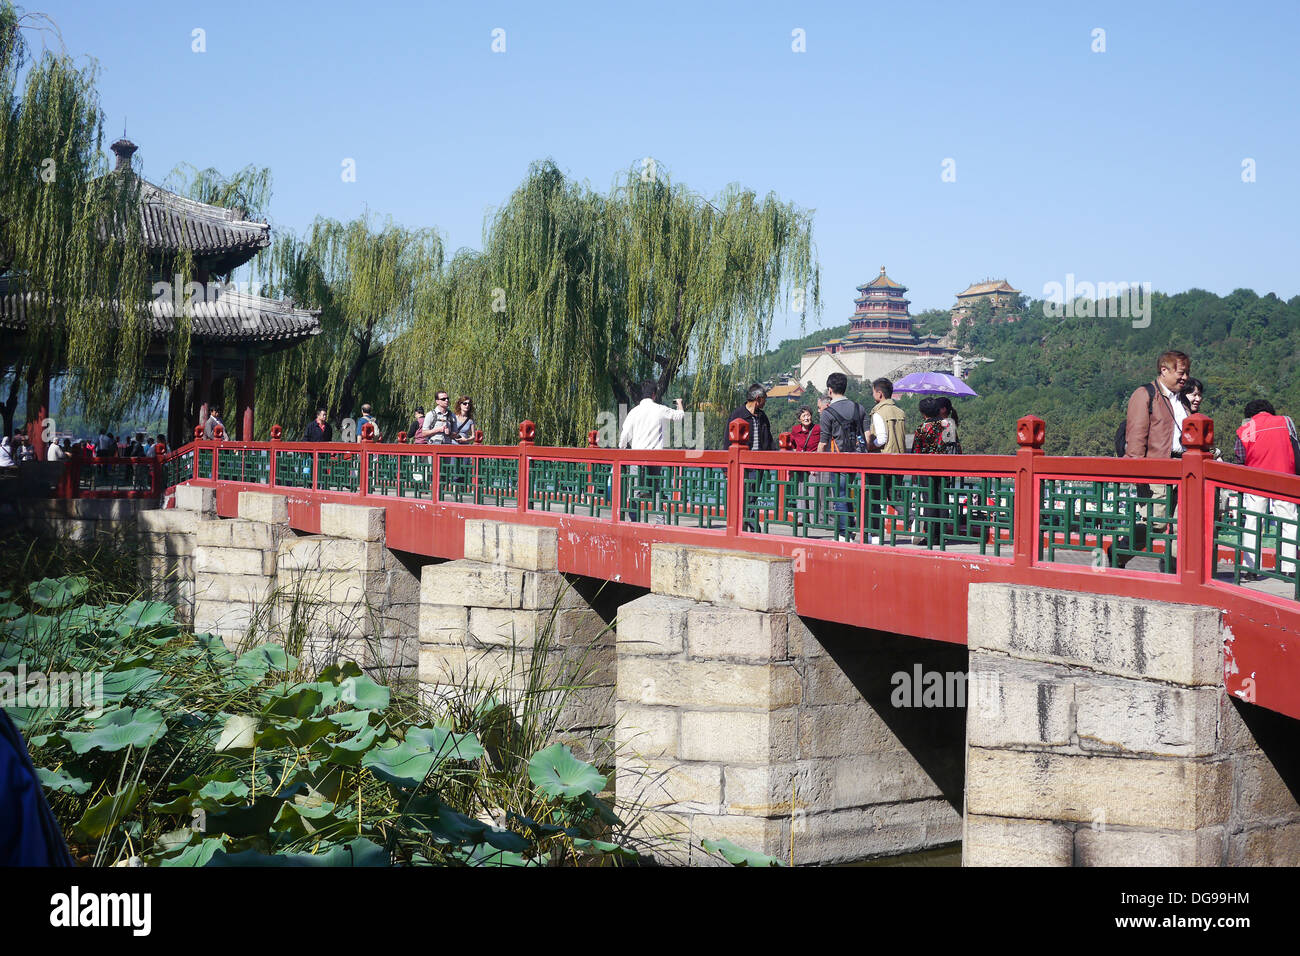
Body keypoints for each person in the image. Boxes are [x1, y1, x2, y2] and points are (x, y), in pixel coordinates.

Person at [1122, 350, 1190, 568]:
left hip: (1183, 469)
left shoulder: (1182, 400)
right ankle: (1118, 553)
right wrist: (1137, 471)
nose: (1185, 377)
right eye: (1181, 372)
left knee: (1182, 524)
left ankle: (1174, 571)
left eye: (1187, 373)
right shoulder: (1145, 394)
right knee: (1156, 523)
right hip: (1156, 469)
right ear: (1164, 370)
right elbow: (1136, 435)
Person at [1232, 399, 1298, 579]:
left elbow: (1239, 458)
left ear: (1249, 414)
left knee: (1253, 523)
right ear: (1270, 410)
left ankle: (1250, 569)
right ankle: (1289, 568)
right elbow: (1295, 447)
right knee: (1288, 522)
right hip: (1284, 477)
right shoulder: (1285, 421)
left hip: (1256, 480)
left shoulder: (1245, 429)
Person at [619, 382, 686, 522]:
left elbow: (624, 435)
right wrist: (679, 403)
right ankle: (659, 521)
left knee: (634, 490)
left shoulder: (634, 412)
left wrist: (622, 451)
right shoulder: (660, 409)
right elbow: (680, 416)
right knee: (656, 490)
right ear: (654, 394)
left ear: (643, 394)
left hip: (636, 457)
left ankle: (634, 520)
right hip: (655, 457)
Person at [817, 373, 868, 542]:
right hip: (860, 459)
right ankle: (857, 530)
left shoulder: (827, 413)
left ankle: (845, 534)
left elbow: (823, 443)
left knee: (840, 495)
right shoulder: (859, 408)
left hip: (839, 459)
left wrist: (815, 462)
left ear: (829, 390)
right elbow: (867, 437)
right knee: (856, 494)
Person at [728, 384, 776, 532]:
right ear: (757, 399)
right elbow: (727, 439)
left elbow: (768, 440)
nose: (765, 403)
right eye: (764, 399)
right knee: (744, 495)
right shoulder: (738, 414)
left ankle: (744, 525)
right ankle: (754, 526)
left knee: (752, 496)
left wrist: (778, 456)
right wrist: (726, 467)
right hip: (742, 463)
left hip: (758, 463)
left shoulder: (762, 416)